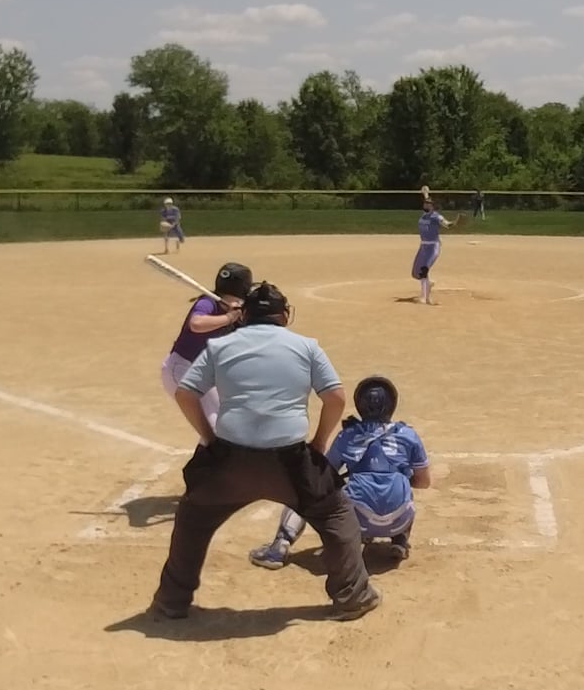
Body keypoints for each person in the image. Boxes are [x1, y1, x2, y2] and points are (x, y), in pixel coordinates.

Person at [152, 280, 382, 622]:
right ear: (284, 315)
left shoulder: (220, 346)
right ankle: (352, 596)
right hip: (290, 463)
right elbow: (334, 398)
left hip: (229, 461)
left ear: (244, 315)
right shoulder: (306, 346)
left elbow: (186, 393)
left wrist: (209, 438)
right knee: (336, 515)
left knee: (193, 516)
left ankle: (173, 599)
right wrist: (319, 444)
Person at [250, 374, 431, 570]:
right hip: (399, 520)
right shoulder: (408, 434)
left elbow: (324, 474)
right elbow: (424, 482)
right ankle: (399, 541)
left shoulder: (349, 434)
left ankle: (279, 547)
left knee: (308, 489)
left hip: (357, 522)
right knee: (403, 483)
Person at [161, 262, 253, 428]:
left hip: (201, 374)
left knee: (223, 422)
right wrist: (229, 318)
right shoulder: (207, 302)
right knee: (217, 427)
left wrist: (239, 317)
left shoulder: (236, 310)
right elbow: (196, 324)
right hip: (182, 370)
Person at [412, 186, 455, 305]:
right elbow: (427, 199)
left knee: (424, 269)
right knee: (416, 273)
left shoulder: (436, 216)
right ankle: (428, 284)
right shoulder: (424, 215)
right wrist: (425, 193)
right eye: (425, 203)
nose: (425, 205)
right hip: (423, 247)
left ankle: (424, 297)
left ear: (432, 206)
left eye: (428, 204)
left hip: (433, 247)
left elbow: (446, 224)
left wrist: (454, 223)